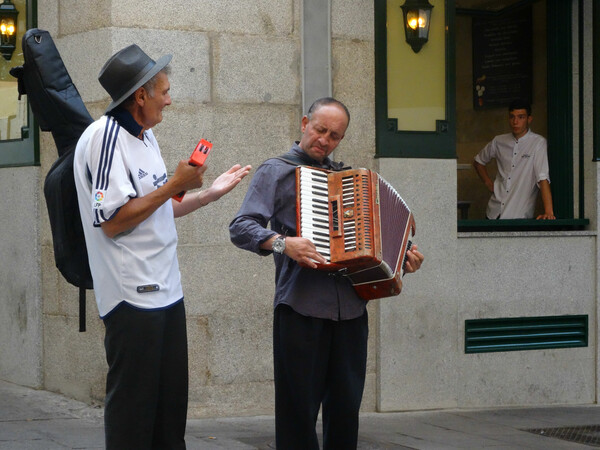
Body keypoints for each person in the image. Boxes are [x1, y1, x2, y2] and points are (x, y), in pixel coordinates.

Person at [73, 44, 251, 449]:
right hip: (131, 296)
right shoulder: (104, 138)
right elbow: (112, 221)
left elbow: (155, 209)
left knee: (170, 412)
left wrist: (207, 195)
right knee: (134, 415)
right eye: (164, 91)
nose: (170, 100)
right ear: (140, 95)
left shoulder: (146, 136)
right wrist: (175, 184)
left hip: (168, 291)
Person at [229, 97, 424, 449]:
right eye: (320, 130)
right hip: (300, 309)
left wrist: (402, 262)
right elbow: (241, 227)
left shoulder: (346, 179)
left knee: (346, 413)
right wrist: (282, 244)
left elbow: (372, 251)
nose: (325, 140)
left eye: (334, 135)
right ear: (305, 123)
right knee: (297, 415)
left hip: (350, 312)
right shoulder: (275, 170)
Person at [472, 99, 555, 220]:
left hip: (518, 215)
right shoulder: (499, 141)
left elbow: (542, 177)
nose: (515, 122)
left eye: (521, 117)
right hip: (492, 213)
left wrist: (549, 212)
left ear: (529, 119)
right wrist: (489, 184)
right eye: (512, 117)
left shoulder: (538, 143)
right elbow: (478, 161)